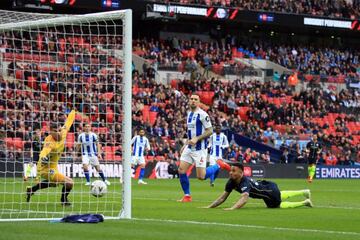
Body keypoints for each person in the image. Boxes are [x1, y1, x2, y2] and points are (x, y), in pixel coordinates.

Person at [178, 94, 230, 202]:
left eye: (195, 99)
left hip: (200, 149)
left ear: (199, 102)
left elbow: (210, 131)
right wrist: (185, 144)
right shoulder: (189, 114)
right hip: (189, 147)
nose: (193, 101)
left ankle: (218, 165)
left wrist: (197, 138)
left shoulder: (203, 114)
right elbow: (190, 132)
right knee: (181, 170)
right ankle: (187, 196)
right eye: (191, 99)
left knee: (201, 177)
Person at [203, 163, 313, 210]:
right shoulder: (231, 181)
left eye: (234, 171)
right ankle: (304, 192)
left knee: (276, 205)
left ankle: (305, 202)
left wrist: (232, 208)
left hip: (269, 192)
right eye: (230, 170)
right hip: (267, 185)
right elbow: (223, 197)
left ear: (241, 173)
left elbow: (244, 199)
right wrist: (209, 207)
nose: (230, 173)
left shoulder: (244, 182)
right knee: (280, 195)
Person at [26, 110, 76, 206]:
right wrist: (43, 156)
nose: (59, 133)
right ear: (51, 132)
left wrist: (74, 110)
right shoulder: (49, 140)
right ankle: (63, 200)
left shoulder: (63, 131)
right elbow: (45, 151)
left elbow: (69, 120)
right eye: (56, 131)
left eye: (59, 130)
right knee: (70, 182)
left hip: (53, 166)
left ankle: (31, 189)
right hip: (45, 168)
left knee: (54, 183)